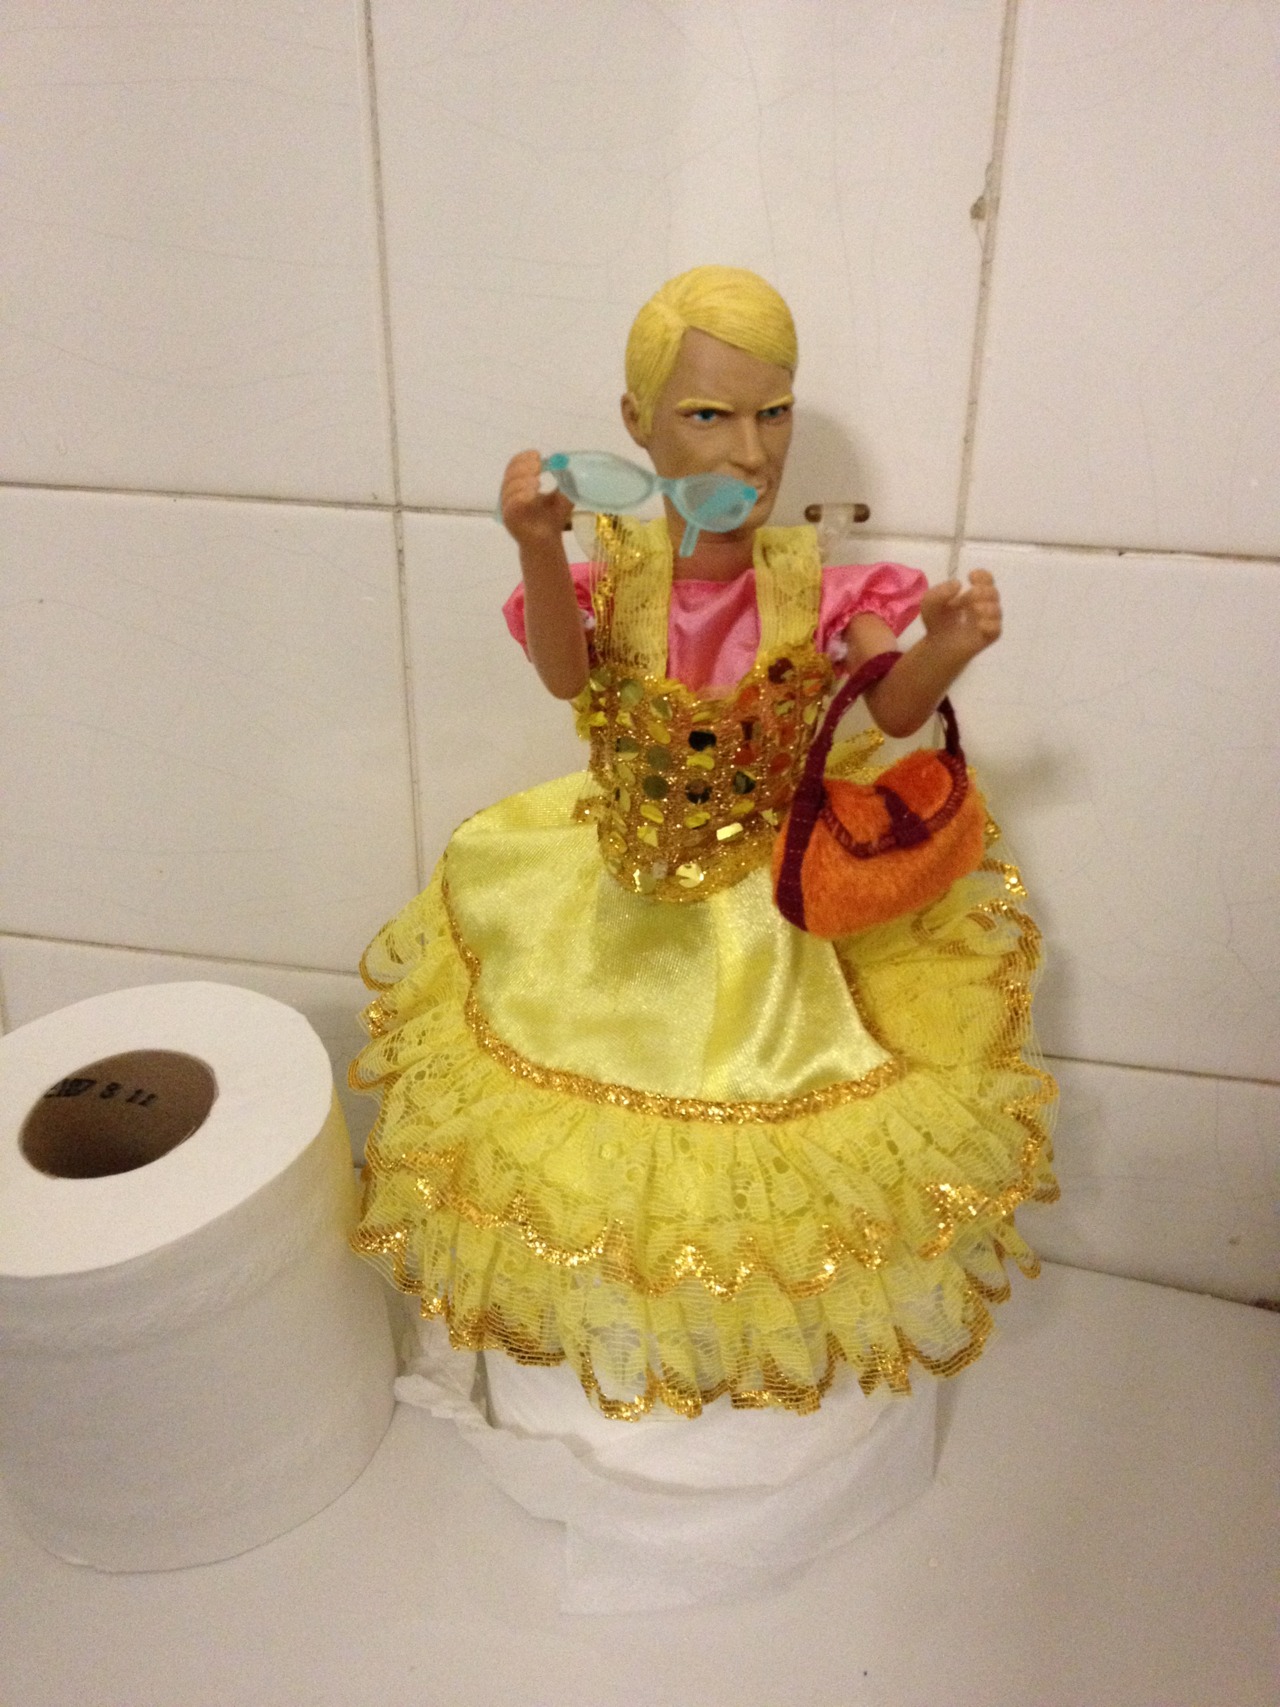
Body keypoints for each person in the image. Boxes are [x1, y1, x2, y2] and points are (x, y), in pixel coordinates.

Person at [351, 265, 1057, 1422]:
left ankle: (739, 1379)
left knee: (774, 1160)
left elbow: (885, 704)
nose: (748, 450)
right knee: (594, 1158)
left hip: (773, 919)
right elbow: (567, 677)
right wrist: (535, 546)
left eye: (772, 413)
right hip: (619, 912)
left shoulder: (814, 584)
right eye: (708, 415)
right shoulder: (616, 574)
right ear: (637, 424)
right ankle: (625, 1366)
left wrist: (945, 648)